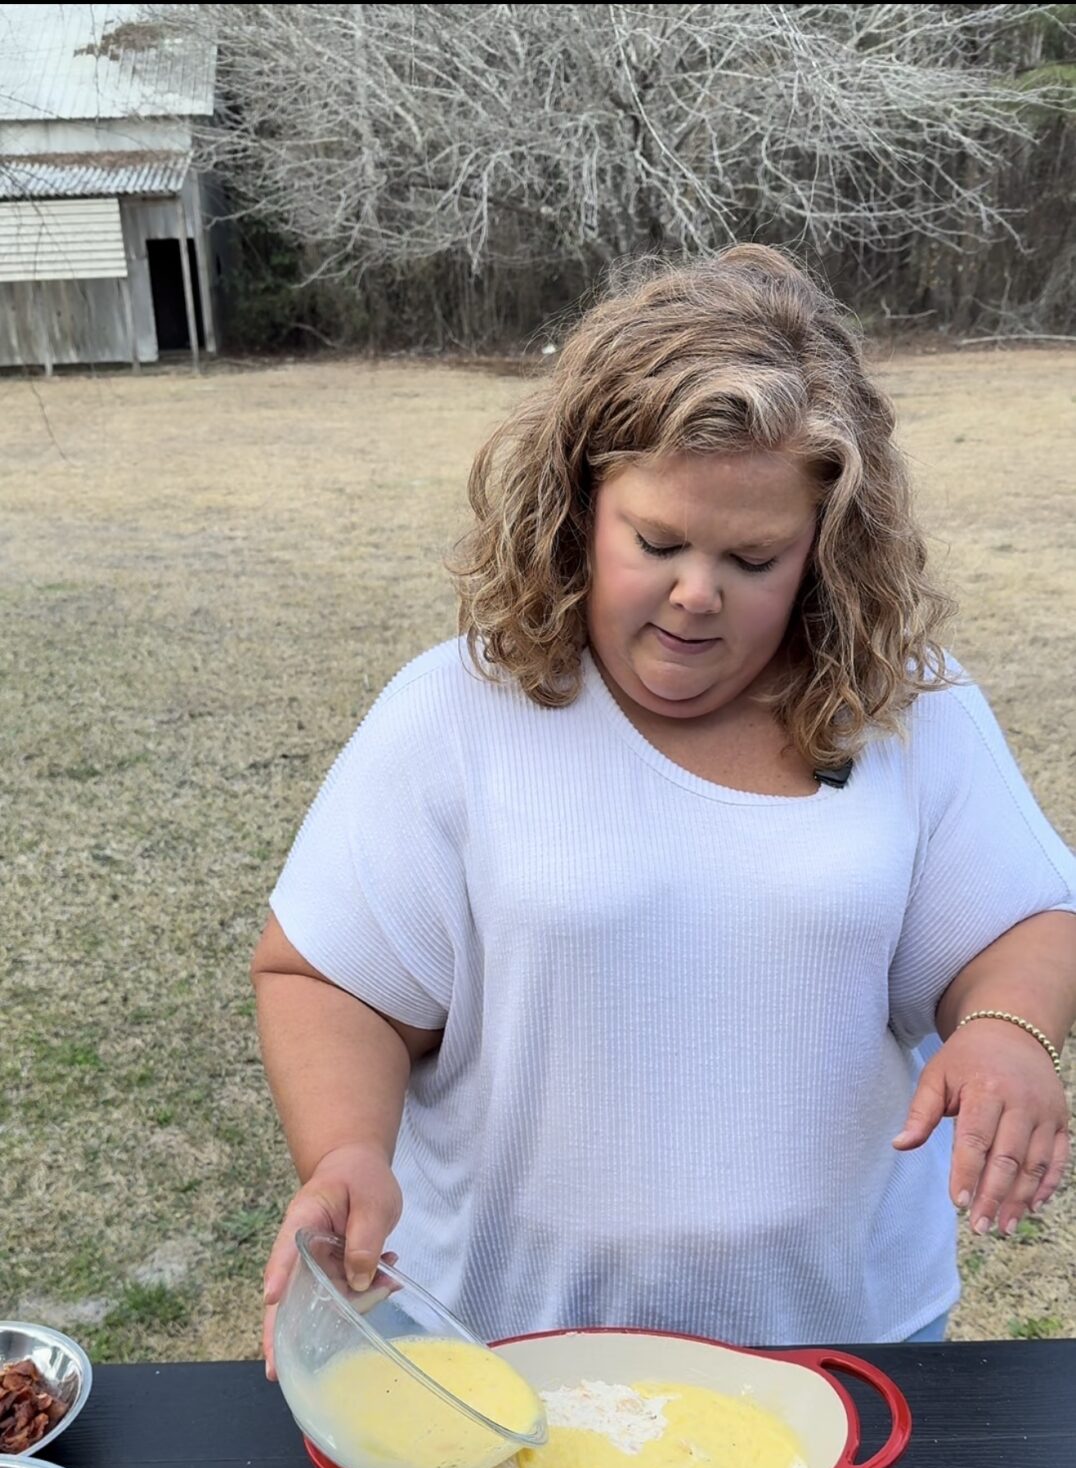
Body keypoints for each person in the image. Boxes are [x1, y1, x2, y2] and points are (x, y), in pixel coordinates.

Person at [254, 245, 1076, 1375]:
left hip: (845, 1352)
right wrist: (345, 1150)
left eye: (752, 556)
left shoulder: (909, 710)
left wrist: (1006, 1027)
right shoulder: (457, 711)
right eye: (656, 542)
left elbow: (1017, 921)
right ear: (578, 507)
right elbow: (328, 976)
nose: (697, 593)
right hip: (512, 1354)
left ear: (824, 550)